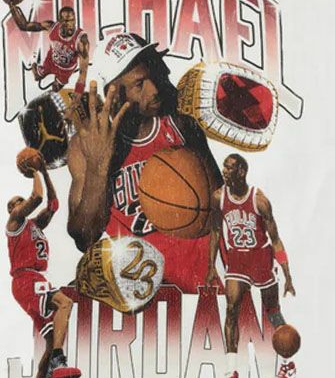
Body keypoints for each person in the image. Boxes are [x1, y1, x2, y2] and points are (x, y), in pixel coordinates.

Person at [66, 33, 221, 293]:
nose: (154, 90)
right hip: (142, 289)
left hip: (202, 281)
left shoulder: (181, 124)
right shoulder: (84, 145)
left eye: (153, 77)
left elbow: (221, 205)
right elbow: (84, 237)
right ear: (114, 94)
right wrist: (98, 166)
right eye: (139, 84)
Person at [206, 153, 297, 378]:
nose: (224, 171)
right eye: (224, 167)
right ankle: (231, 374)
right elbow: (215, 232)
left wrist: (287, 275)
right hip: (237, 261)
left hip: (261, 259)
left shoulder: (259, 201)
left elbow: (275, 240)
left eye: (229, 168)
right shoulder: (218, 198)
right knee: (231, 310)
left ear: (242, 172)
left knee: (272, 312)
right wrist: (210, 266)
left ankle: (287, 365)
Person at [7, 162, 80, 378]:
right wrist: (34, 170)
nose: (18, 204)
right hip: (26, 279)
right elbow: (36, 197)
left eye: (19, 200)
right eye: (14, 203)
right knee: (65, 302)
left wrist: (46, 173)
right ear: (12, 210)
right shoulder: (15, 222)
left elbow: (53, 204)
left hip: (35, 280)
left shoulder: (35, 225)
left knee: (48, 345)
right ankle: (60, 360)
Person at [6, 1, 89, 91]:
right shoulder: (51, 27)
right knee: (37, 77)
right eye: (66, 21)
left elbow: (83, 71)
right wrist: (12, 7)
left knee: (55, 89)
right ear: (60, 22)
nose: (70, 25)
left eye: (72, 20)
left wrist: (79, 91)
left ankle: (56, 80)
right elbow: (24, 26)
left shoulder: (81, 39)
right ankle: (33, 61)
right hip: (51, 62)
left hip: (66, 69)